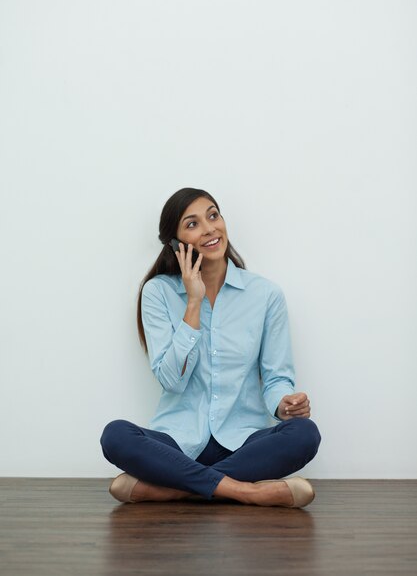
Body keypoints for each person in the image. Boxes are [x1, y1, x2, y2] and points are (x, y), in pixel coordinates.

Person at [100, 187, 321, 508]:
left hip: (243, 441)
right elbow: (171, 380)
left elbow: (276, 379)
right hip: (177, 442)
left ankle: (173, 489)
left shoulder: (266, 295)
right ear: (175, 244)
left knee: (304, 434)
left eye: (213, 215)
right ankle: (247, 492)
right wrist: (193, 302)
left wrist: (284, 405)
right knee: (115, 435)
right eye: (192, 224)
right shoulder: (158, 293)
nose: (209, 229)